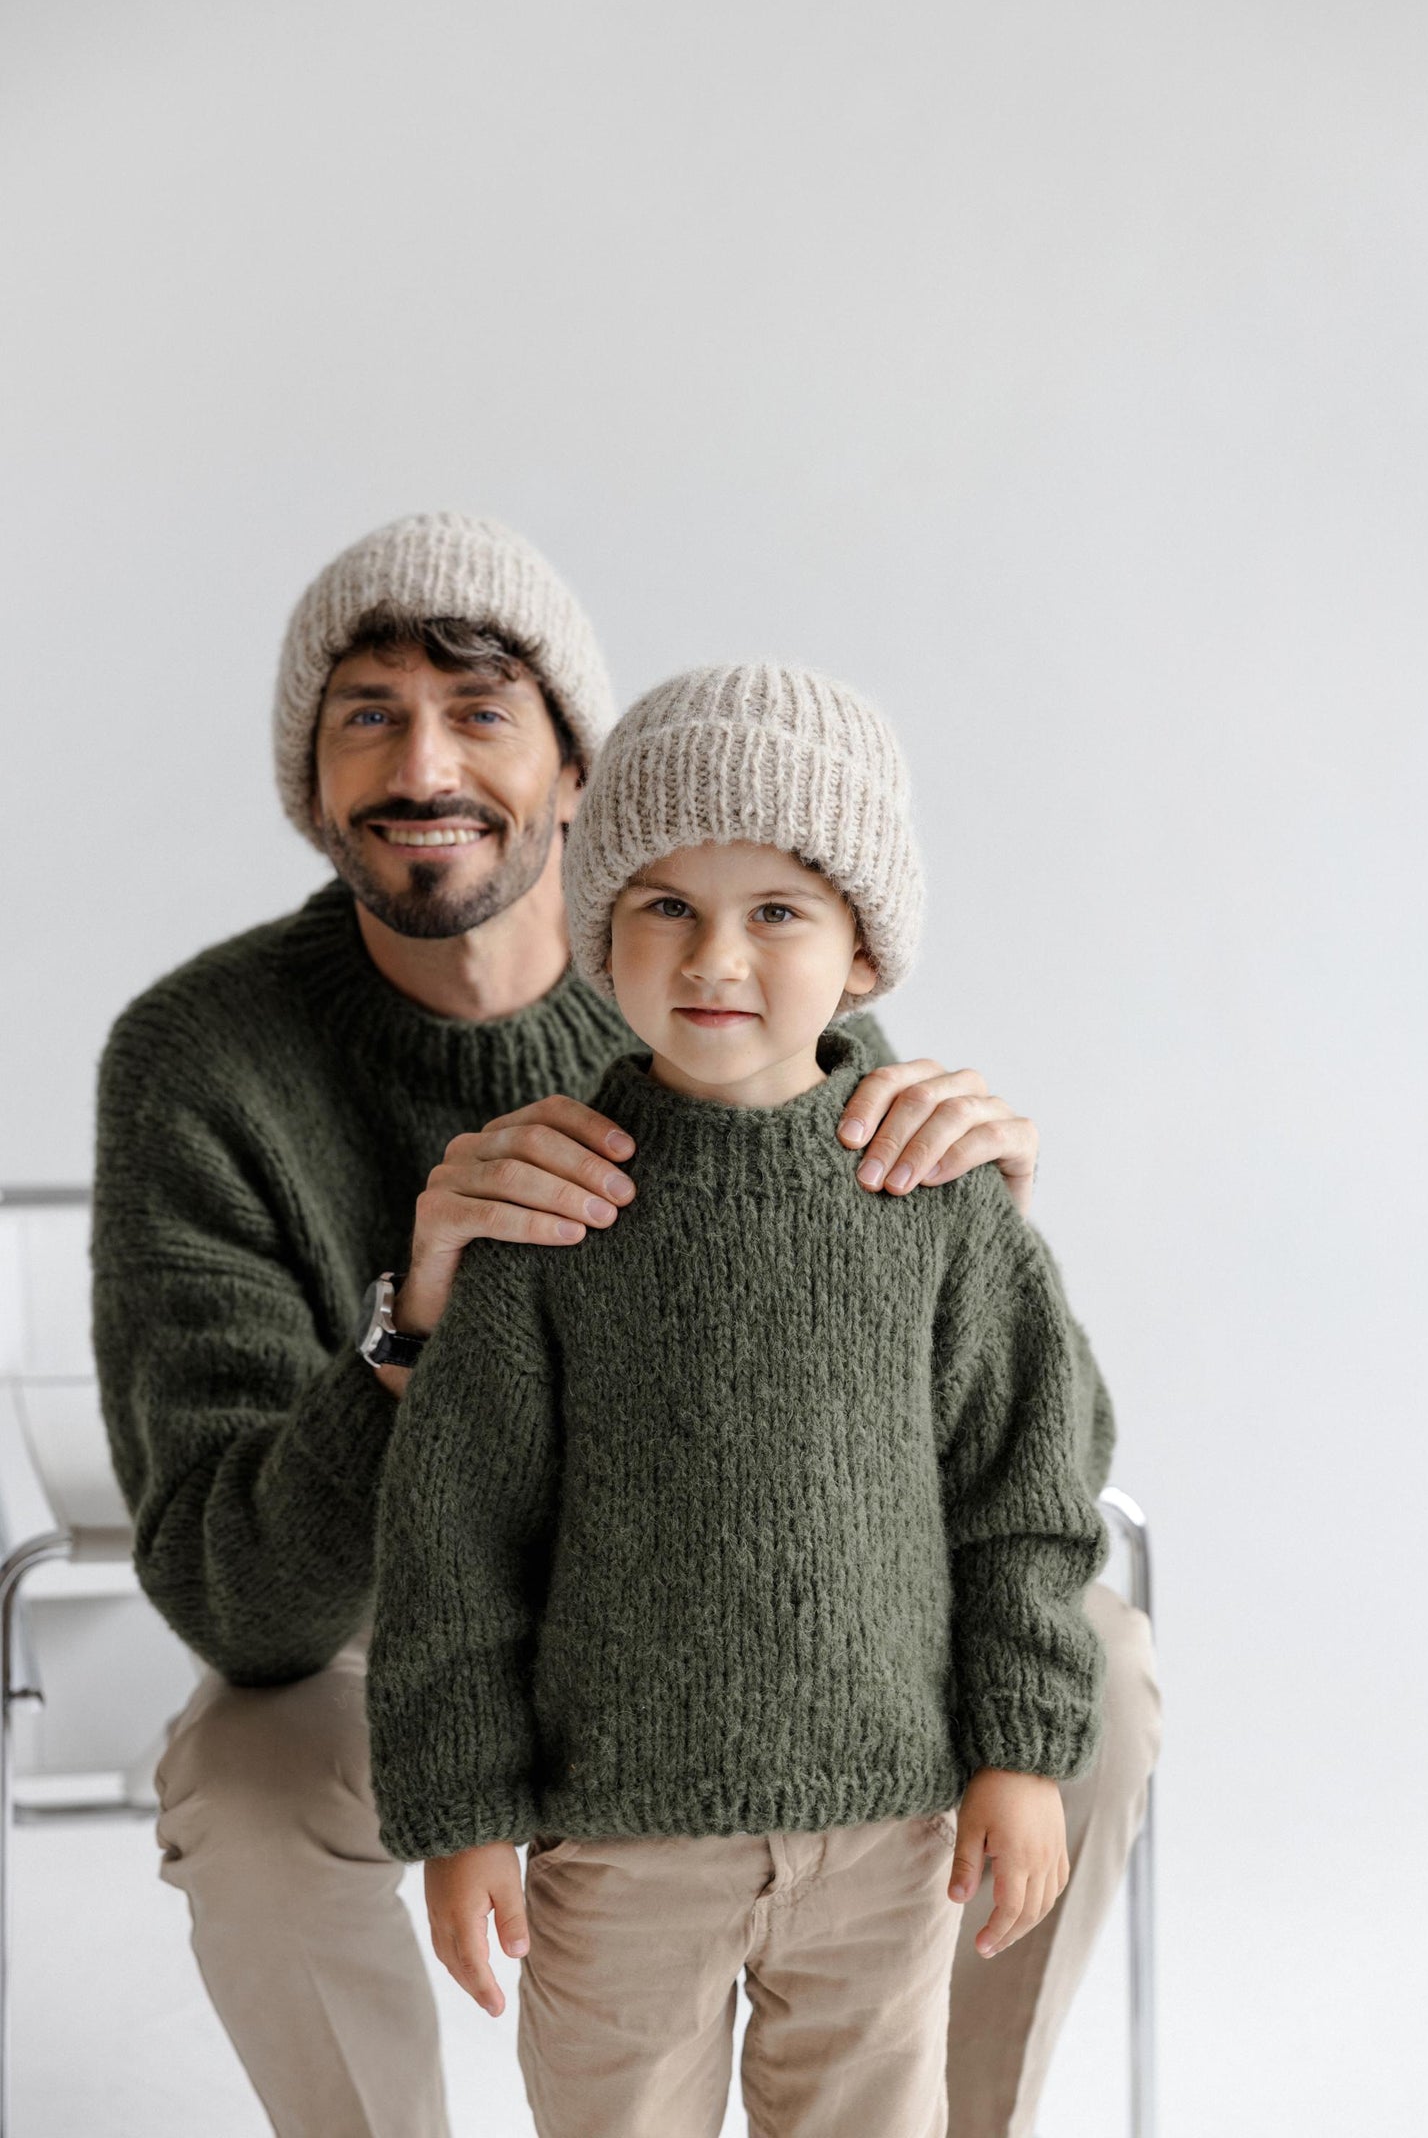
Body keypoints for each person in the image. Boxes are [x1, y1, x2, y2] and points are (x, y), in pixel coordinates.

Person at [91, 512, 1161, 2138]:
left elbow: (983, 1427)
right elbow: (237, 1605)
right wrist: (414, 1324)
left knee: (1089, 1678)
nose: (422, 762)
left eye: (481, 709)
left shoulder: (745, 985)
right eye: (365, 713)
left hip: (759, 1624)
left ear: (581, 773)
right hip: (384, 1604)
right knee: (245, 1797)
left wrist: (989, 1223)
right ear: (309, 780)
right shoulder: (199, 1062)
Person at [364, 659, 1112, 2138]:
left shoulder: (935, 1198)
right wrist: (465, 1817)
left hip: (885, 1834)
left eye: (775, 909)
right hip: (618, 1843)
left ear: (861, 957)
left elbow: (1025, 1489)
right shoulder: (550, 1202)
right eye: (665, 906)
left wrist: (1018, 1755)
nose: (714, 956)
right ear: (601, 938)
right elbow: (453, 1535)